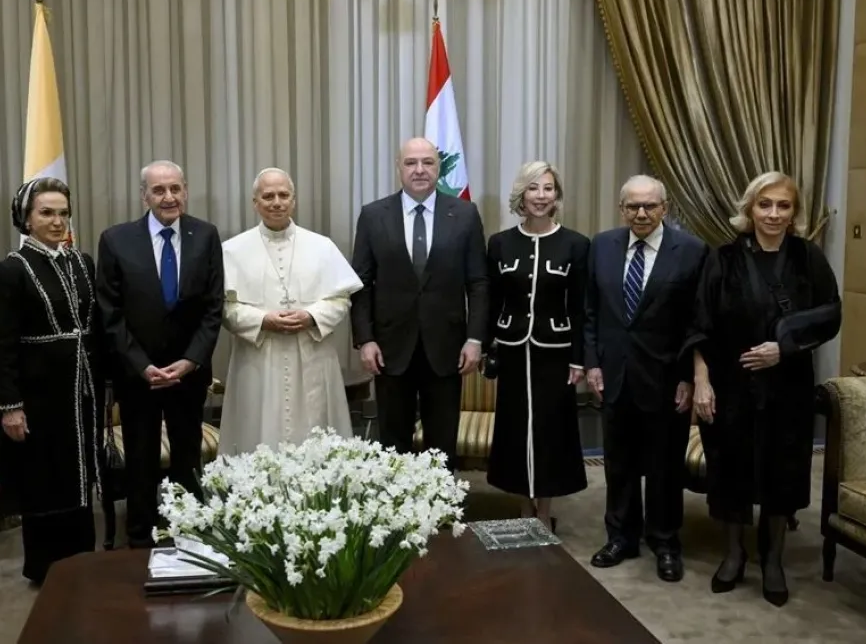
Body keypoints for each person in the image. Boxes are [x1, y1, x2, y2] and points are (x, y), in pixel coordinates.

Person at [687, 171, 841, 607]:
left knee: (783, 471)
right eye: (765, 204)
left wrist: (784, 347)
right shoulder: (723, 258)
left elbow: (830, 315)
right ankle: (734, 553)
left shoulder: (808, 257)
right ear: (749, 208)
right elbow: (699, 323)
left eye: (783, 206)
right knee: (731, 468)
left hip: (787, 387)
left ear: (793, 212)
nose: (773, 214)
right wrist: (701, 381)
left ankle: (773, 559)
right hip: (732, 385)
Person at [584, 174, 708, 582]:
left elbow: (697, 321)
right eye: (633, 206)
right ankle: (621, 536)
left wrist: (690, 377)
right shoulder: (601, 246)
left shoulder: (691, 251)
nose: (641, 213)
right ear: (621, 209)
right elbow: (590, 311)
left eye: (649, 206)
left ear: (664, 208)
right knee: (618, 463)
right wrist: (592, 363)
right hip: (614, 373)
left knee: (663, 465)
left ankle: (666, 541)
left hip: (666, 378)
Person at [96, 160, 223, 548]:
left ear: (185, 190)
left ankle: (189, 533)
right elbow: (109, 313)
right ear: (144, 196)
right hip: (138, 376)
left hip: (189, 372)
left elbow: (213, 308)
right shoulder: (116, 240)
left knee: (187, 459)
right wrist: (142, 365)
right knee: (141, 459)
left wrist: (190, 361)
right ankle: (140, 538)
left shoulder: (206, 235)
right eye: (159, 190)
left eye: (175, 188)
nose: (168, 197)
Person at [0, 177, 102, 584]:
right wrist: (10, 406)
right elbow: (2, 344)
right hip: (38, 395)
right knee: (45, 477)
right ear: (26, 218)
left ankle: (82, 561)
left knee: (79, 475)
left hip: (81, 389)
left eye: (63, 213)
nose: (57, 222)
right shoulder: (10, 271)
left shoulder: (80, 263)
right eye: (46, 213)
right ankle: (46, 568)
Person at [350, 137, 488, 469]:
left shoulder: (465, 215)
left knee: (441, 443)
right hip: (390, 348)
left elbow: (479, 283)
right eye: (411, 163)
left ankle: (441, 513)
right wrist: (365, 339)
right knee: (392, 442)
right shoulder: (372, 216)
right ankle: (397, 515)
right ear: (399, 168)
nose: (420, 170)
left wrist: (474, 339)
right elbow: (360, 285)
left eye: (427, 162)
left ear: (438, 168)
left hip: (447, 348)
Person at [218, 168, 362, 453]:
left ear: (293, 200)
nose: (276, 202)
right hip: (258, 359)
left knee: (315, 431)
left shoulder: (322, 247)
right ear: (255, 202)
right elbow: (223, 307)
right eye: (268, 196)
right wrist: (262, 320)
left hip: (312, 354)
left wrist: (311, 316)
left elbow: (341, 298)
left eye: (283, 195)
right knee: (257, 434)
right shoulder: (232, 250)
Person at [484, 162, 589, 532]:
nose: (541, 196)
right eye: (533, 188)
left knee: (550, 430)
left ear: (557, 196)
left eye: (548, 189)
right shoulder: (499, 243)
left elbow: (580, 308)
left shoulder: (576, 244)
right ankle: (522, 509)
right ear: (521, 196)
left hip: (555, 352)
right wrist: (482, 347)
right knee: (514, 428)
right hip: (513, 349)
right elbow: (491, 301)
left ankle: (543, 513)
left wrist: (580, 359)